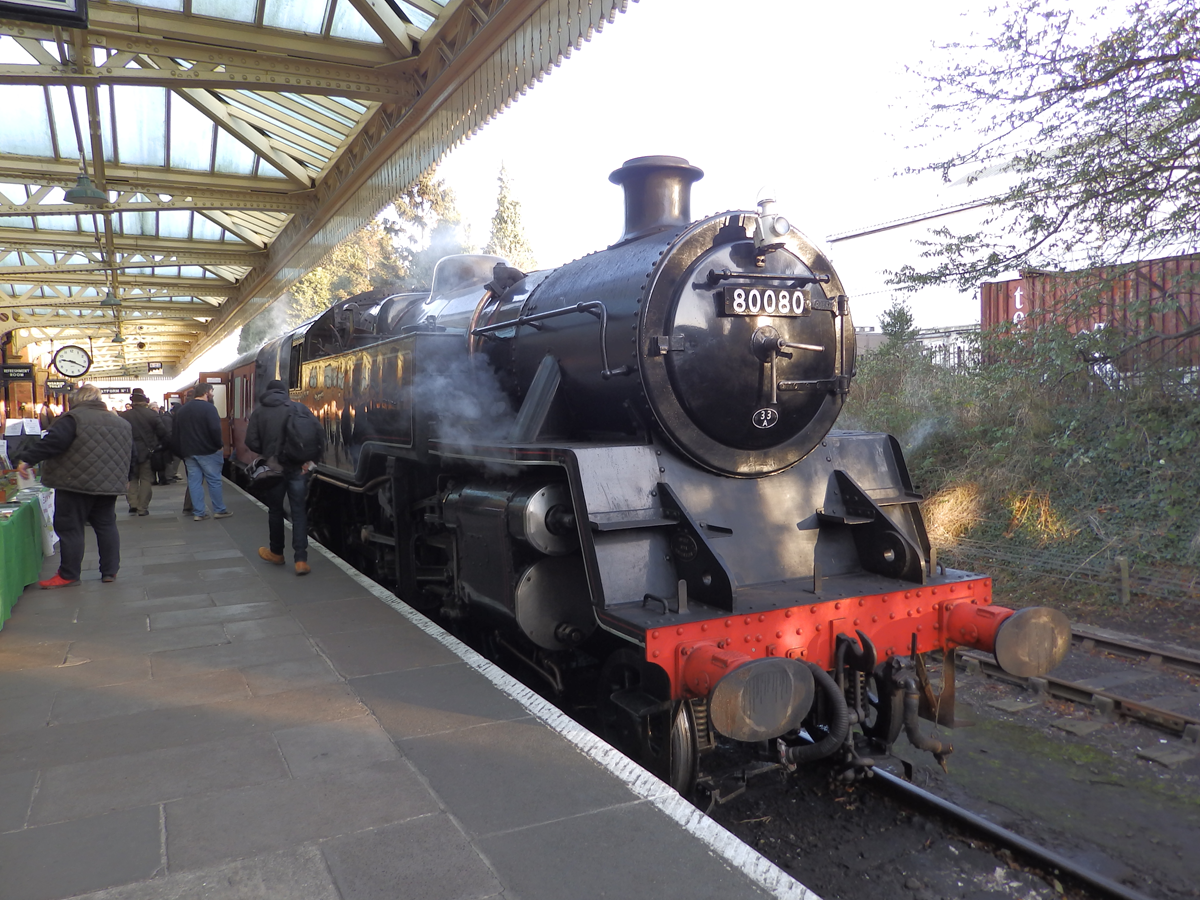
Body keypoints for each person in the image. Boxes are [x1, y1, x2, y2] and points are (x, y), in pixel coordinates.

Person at [12, 383, 134, 588]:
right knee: (106, 525)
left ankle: (69, 574)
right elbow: (131, 453)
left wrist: (27, 459)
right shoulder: (120, 422)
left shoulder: (73, 419)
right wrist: (127, 477)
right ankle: (110, 570)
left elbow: (53, 443)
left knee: (70, 528)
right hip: (109, 484)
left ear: (76, 400)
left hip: (74, 483)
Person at [245, 379, 322, 575]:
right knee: (299, 513)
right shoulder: (299, 408)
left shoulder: (260, 412)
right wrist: (310, 462)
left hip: (273, 468)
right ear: (284, 392)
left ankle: (277, 553)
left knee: (275, 511)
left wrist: (268, 450)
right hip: (298, 468)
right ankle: (301, 560)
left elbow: (251, 441)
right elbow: (319, 435)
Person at [174, 382, 231, 522]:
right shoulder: (209, 408)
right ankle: (219, 510)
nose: (213, 394)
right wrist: (219, 445)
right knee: (214, 480)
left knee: (194, 482)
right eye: (212, 391)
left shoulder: (183, 410)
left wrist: (181, 451)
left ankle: (199, 513)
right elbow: (215, 429)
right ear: (206, 392)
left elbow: (176, 432)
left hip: (189, 452)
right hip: (208, 451)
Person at [119, 388, 167, 515]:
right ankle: (142, 507)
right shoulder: (152, 414)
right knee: (146, 479)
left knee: (132, 478)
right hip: (147, 452)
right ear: (145, 401)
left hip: (129, 452)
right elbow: (162, 432)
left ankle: (133, 504)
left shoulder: (124, 416)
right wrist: (156, 444)